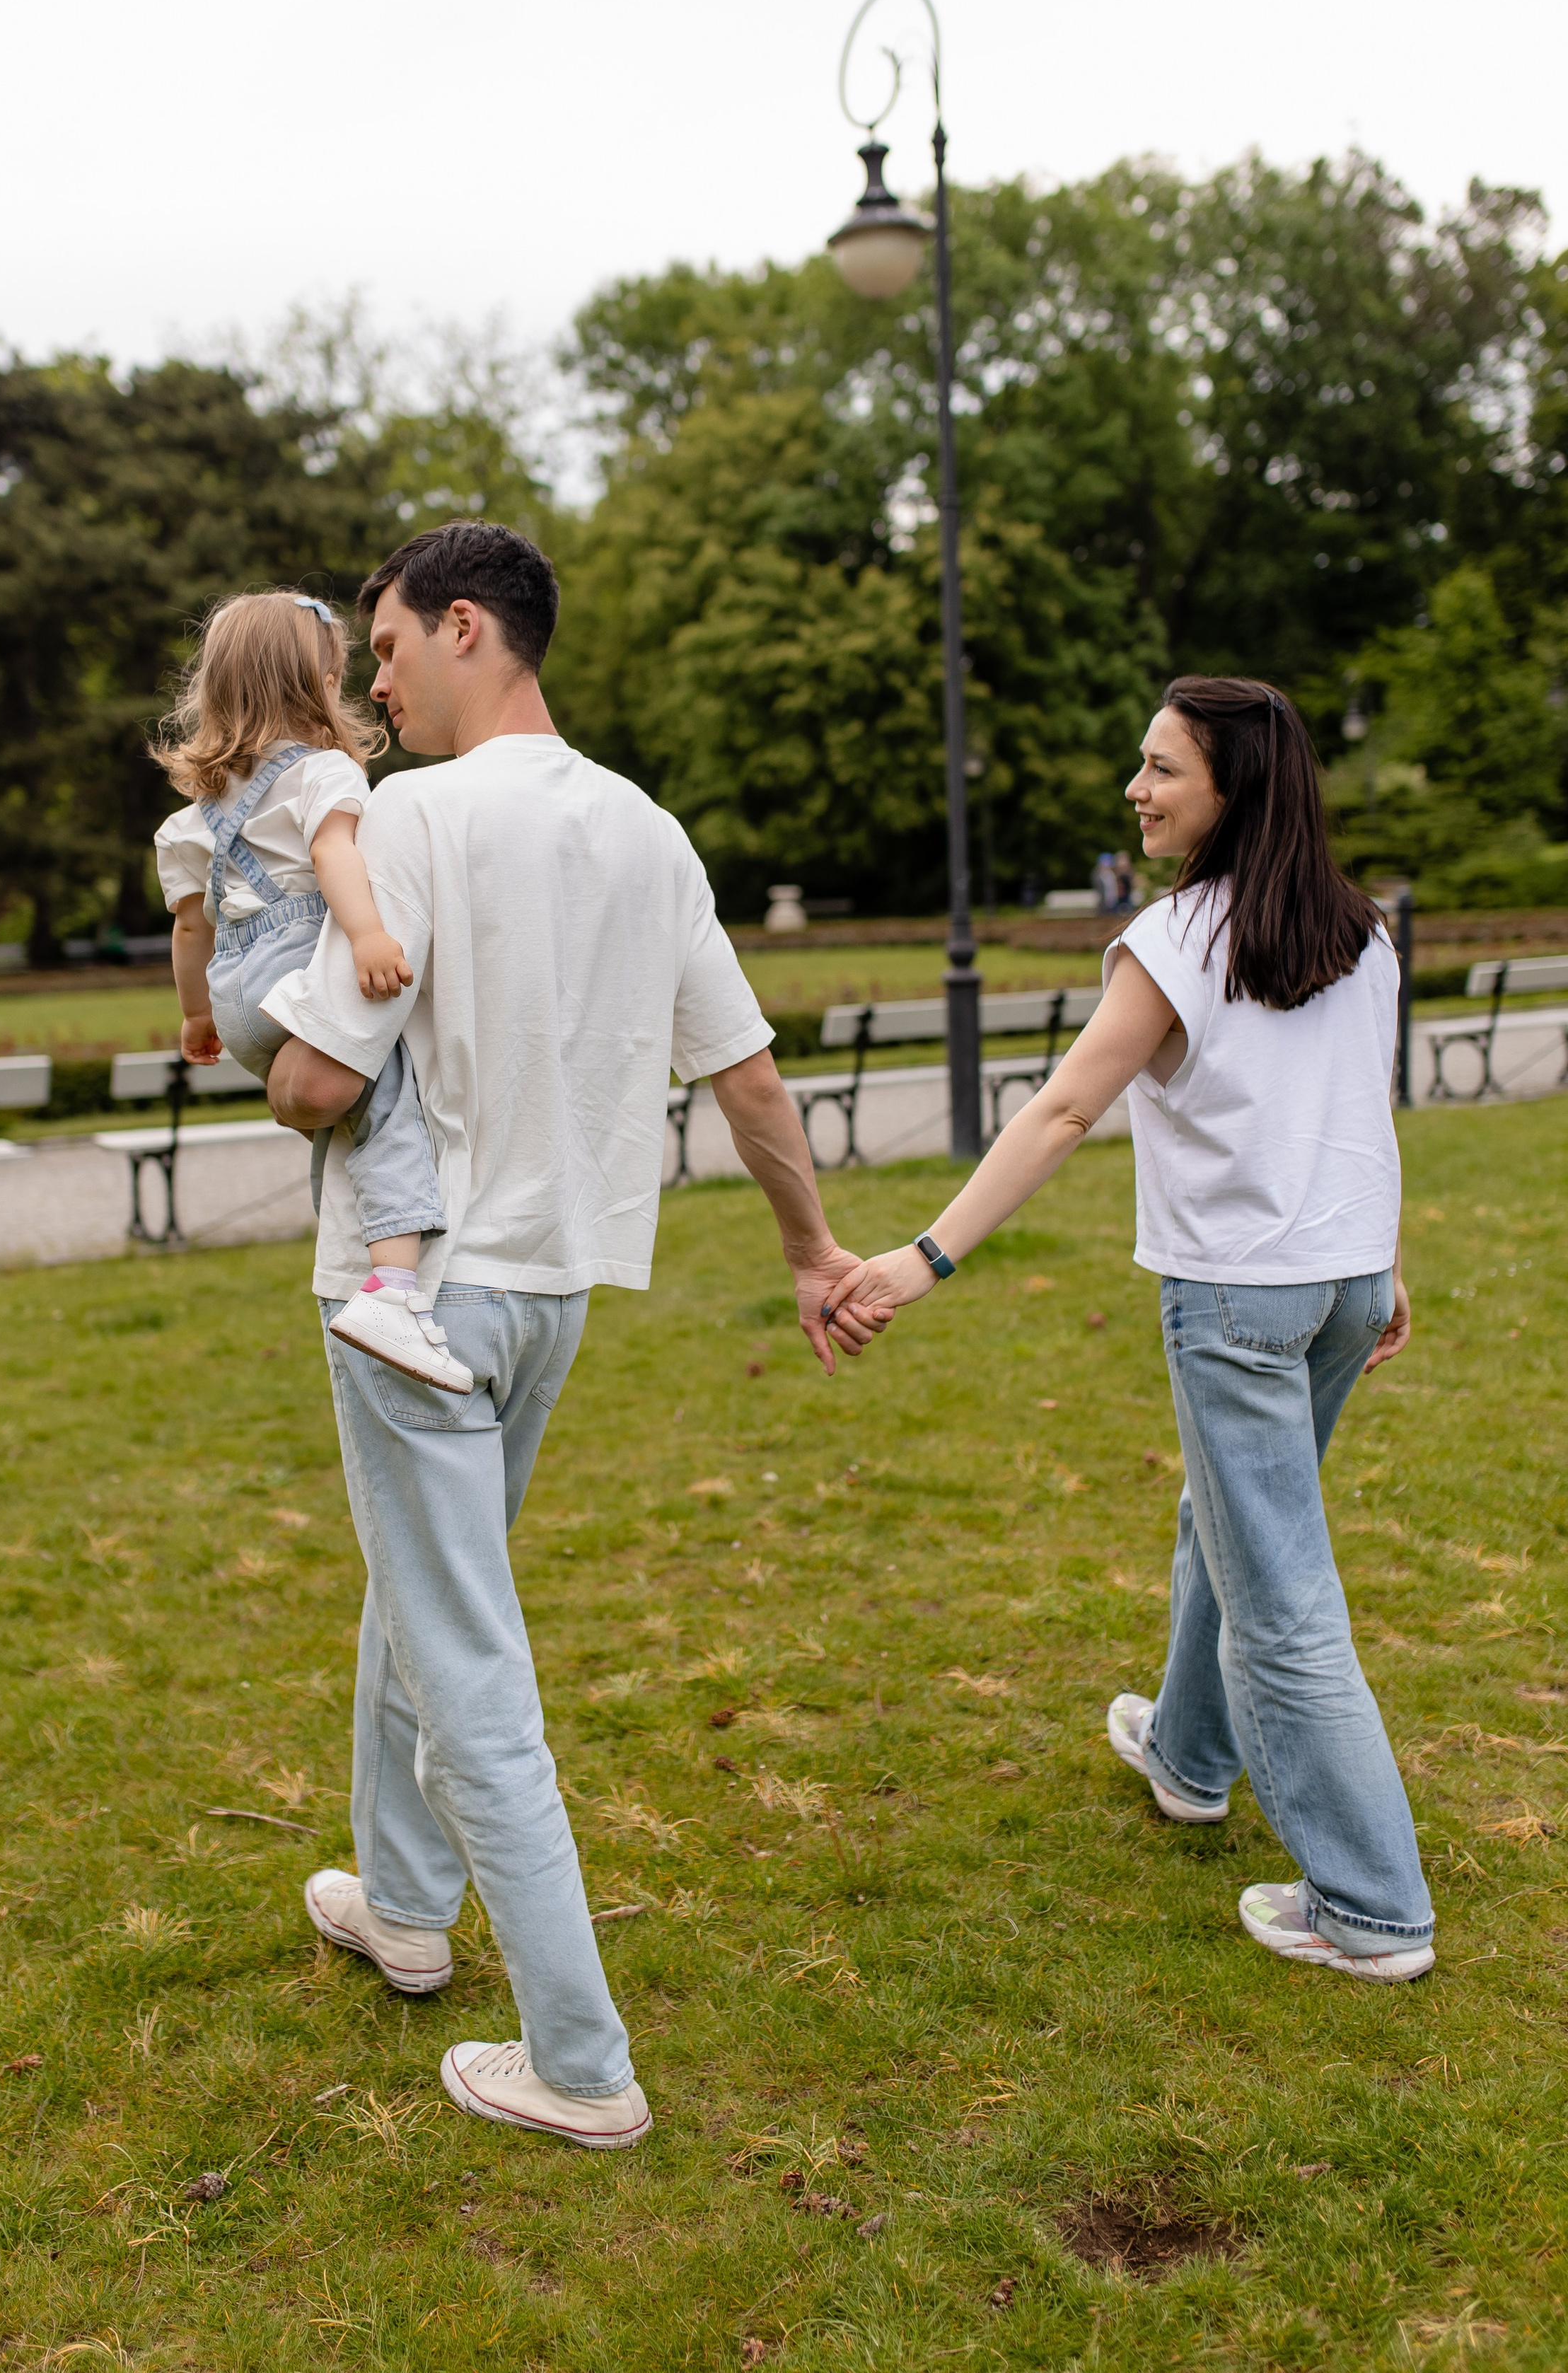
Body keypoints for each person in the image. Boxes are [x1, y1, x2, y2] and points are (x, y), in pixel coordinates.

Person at [260, 520, 877, 2148]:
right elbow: (742, 1072)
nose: (372, 680)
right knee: (425, 1592)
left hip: (413, 1299)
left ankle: (580, 2062)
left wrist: (272, 1071)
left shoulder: (407, 817)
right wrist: (809, 1246)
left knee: (464, 1652)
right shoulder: (647, 831)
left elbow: (319, 1078)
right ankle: (401, 1899)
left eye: (387, 645)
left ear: (468, 627)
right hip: (546, 1300)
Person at [829, 676, 1435, 1983]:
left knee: (1282, 1596)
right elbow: (1365, 1109)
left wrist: (926, 1258)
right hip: (1336, 1291)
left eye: (1162, 769)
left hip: (1240, 1300)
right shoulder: (1364, 933)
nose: (1136, 789)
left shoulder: (1178, 941)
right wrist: (1383, 1267)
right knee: (1227, 1527)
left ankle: (1374, 1908)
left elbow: (1059, 1113)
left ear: (1234, 792)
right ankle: (1189, 1760)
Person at [153, 588, 466, 1392]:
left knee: (349, 1120)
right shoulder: (323, 773)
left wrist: (195, 1016)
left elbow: (191, 929)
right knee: (390, 1101)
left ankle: (360, 1258)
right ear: (313, 684)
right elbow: (336, 859)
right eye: (338, 677)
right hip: (298, 971)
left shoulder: (196, 813)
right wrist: (365, 934)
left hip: (236, 998)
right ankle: (395, 1289)